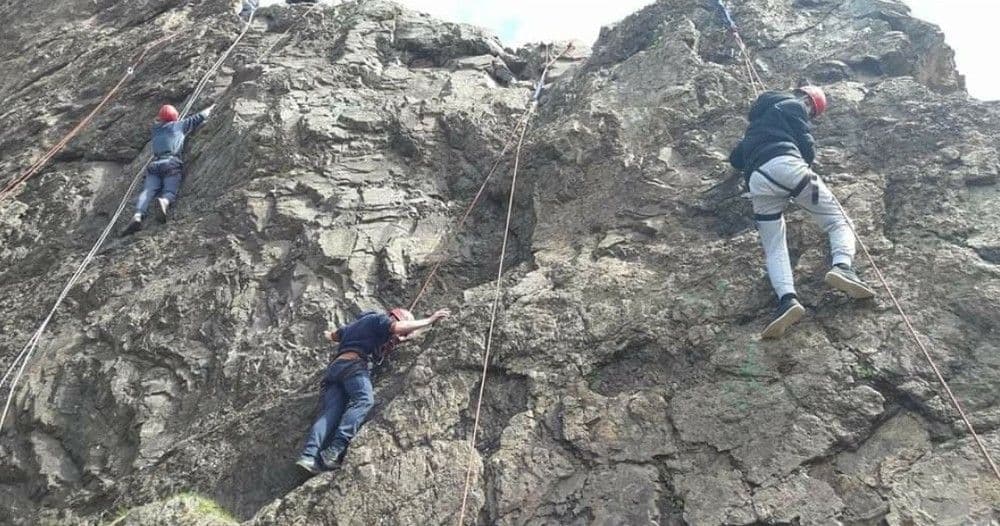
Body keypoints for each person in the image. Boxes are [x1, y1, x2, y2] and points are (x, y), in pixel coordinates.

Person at [729, 86, 875, 339]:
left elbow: (735, 159)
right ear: (808, 100)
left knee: (774, 245)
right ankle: (842, 266)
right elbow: (806, 146)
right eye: (813, 112)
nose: (810, 114)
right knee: (837, 220)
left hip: (758, 182)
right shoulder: (793, 105)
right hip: (788, 167)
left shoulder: (755, 126)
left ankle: (787, 300)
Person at [295, 307, 451, 475]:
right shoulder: (379, 319)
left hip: (335, 370)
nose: (400, 337)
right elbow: (397, 328)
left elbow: (332, 336)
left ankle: (309, 456)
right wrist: (429, 320)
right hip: (353, 366)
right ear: (396, 318)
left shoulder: (353, 326)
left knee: (329, 415)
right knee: (364, 400)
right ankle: (334, 450)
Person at [122, 104, 213, 236]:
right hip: (171, 163)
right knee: (170, 189)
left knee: (147, 191)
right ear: (175, 116)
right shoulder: (180, 125)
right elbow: (200, 116)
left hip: (155, 165)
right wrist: (212, 107)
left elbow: (158, 122)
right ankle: (164, 201)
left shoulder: (155, 130)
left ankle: (137, 215)